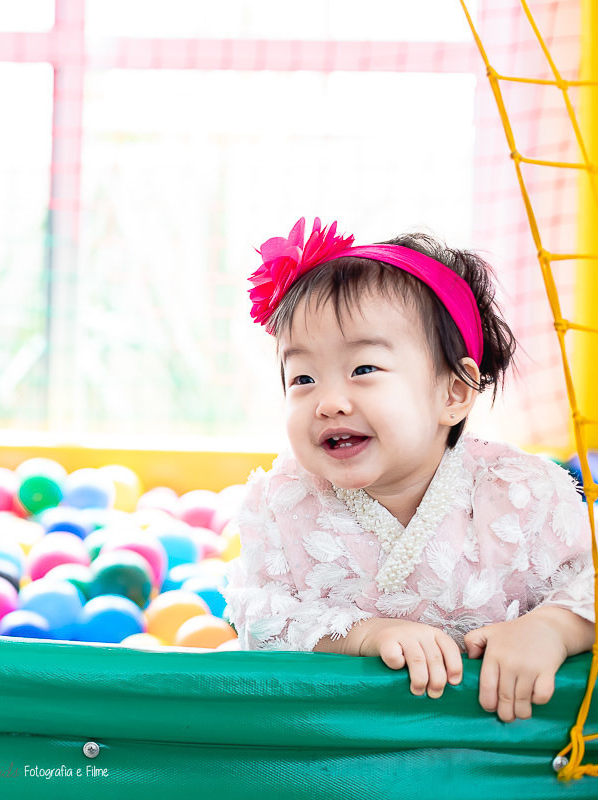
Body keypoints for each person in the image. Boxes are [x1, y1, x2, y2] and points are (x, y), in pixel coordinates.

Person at [224, 217, 595, 722]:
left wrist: (553, 626)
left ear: (454, 393)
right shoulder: (283, 500)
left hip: (496, 752)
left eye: (363, 370)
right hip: (332, 753)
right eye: (303, 377)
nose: (329, 402)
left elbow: (588, 580)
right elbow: (253, 612)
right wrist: (362, 635)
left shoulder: (521, 492)